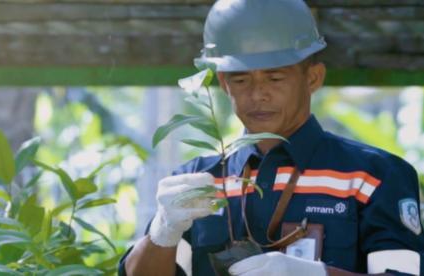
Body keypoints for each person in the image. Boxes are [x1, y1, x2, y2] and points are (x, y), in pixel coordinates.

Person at [120, 0, 424, 275]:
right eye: (240, 79)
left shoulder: (372, 176)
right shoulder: (199, 181)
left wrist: (314, 275)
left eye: (275, 78)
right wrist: (164, 230)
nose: (258, 95)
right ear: (225, 85)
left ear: (313, 78)